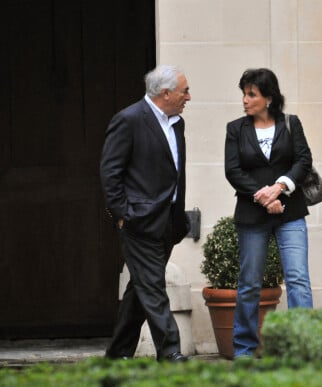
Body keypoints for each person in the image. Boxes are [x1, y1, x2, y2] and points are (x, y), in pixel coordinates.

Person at [100, 65, 191, 362]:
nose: (188, 96)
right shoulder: (128, 120)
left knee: (140, 287)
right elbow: (110, 172)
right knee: (152, 285)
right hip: (138, 221)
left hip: (169, 222)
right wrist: (122, 214)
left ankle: (117, 353)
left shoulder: (176, 122)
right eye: (184, 91)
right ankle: (171, 352)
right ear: (166, 93)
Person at [224, 68, 314, 358]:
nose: (245, 100)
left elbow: (303, 160)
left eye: (251, 94)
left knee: (298, 280)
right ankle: (245, 350)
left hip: (290, 212)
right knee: (250, 283)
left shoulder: (291, 123)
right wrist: (264, 198)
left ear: (268, 98)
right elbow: (233, 170)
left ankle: (301, 348)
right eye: (244, 93)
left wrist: (279, 187)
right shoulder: (235, 129)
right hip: (252, 215)